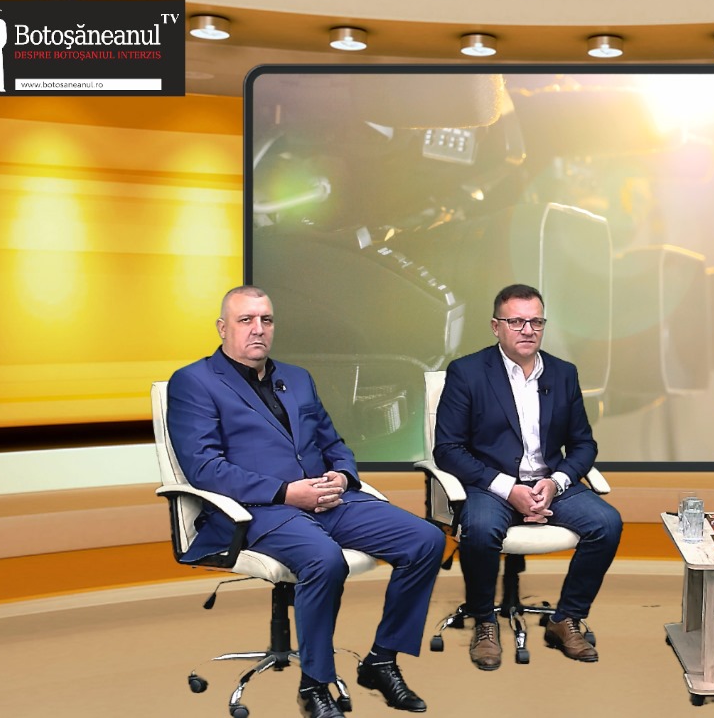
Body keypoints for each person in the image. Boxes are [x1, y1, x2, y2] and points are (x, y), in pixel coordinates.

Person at [167, 286, 445, 718]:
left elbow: (333, 443)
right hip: (259, 510)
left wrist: (343, 475)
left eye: (266, 320)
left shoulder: (297, 378)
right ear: (222, 328)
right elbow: (205, 468)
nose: (258, 329)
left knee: (425, 540)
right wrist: (285, 492)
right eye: (245, 320)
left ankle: (381, 661)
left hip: (326, 499)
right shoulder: (194, 382)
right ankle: (315, 685)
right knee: (324, 559)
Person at [433, 283, 623, 670]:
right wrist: (509, 489)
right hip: (491, 485)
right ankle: (485, 622)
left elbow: (583, 444)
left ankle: (565, 619)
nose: (527, 330)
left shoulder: (563, 373)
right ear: (496, 327)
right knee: (480, 531)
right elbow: (447, 449)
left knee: (607, 523)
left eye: (536, 322)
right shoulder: (467, 372)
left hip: (550, 483)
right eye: (516, 322)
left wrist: (557, 482)